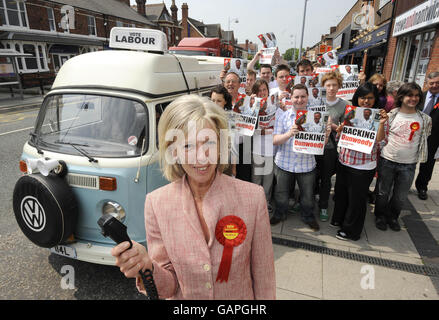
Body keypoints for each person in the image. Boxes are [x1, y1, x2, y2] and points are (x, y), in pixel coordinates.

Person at [111, 95, 276, 300]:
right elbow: (169, 287)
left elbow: (264, 280)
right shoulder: (157, 203)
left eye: (209, 142)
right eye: (188, 146)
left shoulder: (253, 198)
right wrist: (147, 267)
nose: (201, 157)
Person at [332, 83, 388, 241]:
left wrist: (382, 124)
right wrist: (342, 130)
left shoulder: (380, 116)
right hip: (344, 161)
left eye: (370, 98)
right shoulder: (351, 113)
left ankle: (352, 231)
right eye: (363, 97)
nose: (366, 101)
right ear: (357, 98)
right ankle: (341, 221)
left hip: (363, 166)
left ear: (375, 99)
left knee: (357, 201)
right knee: (342, 196)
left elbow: (381, 143)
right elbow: (341, 139)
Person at [375, 83, 431, 232]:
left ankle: (392, 216)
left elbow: (425, 137)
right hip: (388, 160)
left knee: (400, 195)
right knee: (382, 191)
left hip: (409, 164)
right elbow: (381, 137)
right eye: (409, 95)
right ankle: (380, 216)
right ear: (401, 97)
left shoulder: (425, 119)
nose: (413, 98)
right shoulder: (391, 115)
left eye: (416, 95)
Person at [271, 84, 321, 231]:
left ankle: (308, 216)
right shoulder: (282, 117)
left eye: (303, 96)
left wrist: (324, 134)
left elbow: (320, 146)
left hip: (306, 165)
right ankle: (280, 214)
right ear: (291, 98)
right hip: (284, 163)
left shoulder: (316, 118)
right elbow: (274, 140)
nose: (299, 100)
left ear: (307, 98)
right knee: (281, 193)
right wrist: (288, 134)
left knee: (307, 195)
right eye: (296, 96)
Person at [315, 71, 349, 222]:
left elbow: (346, 129)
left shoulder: (345, 105)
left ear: (339, 86)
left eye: (334, 85)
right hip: (313, 145)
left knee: (326, 178)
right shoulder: (316, 101)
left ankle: (323, 205)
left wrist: (336, 127)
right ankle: (306, 200)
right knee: (310, 176)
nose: (331, 88)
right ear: (323, 86)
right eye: (328, 85)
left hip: (330, 148)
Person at [251, 79, 275, 213]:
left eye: (264, 90)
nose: (262, 93)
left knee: (268, 179)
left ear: (268, 90)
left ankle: (266, 203)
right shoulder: (251, 105)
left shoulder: (275, 104)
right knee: (256, 178)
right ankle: (255, 203)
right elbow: (246, 128)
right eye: (259, 90)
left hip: (271, 148)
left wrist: (268, 131)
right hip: (256, 148)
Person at [415, 71, 439, 200]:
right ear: (426, 83)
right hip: (415, 134)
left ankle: (422, 187)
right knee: (409, 161)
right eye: (432, 83)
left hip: (434, 137)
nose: (435, 85)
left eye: (437, 83)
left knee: (428, 163)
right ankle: (403, 184)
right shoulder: (418, 97)